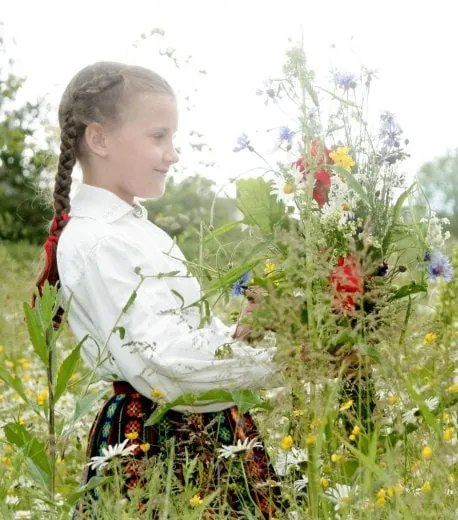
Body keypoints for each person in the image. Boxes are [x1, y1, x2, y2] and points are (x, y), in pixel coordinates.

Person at [33, 61, 281, 517]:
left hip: (204, 424)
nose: (172, 153)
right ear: (99, 138)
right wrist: (282, 359)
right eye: (158, 137)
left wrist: (247, 332)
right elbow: (164, 366)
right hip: (157, 439)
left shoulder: (140, 231)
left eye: (172, 138)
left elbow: (183, 341)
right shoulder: (97, 240)